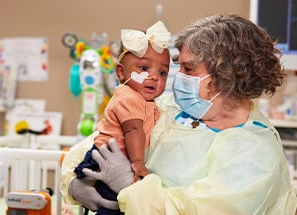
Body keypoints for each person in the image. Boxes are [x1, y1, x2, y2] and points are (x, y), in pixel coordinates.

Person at [60, 14, 297, 215]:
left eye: (188, 69)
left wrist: (129, 188)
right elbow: (95, 143)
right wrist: (73, 182)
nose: (176, 77)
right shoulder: (169, 108)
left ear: (224, 75)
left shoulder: (254, 153)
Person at [73, 20, 171, 214]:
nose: (154, 77)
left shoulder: (148, 102)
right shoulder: (128, 96)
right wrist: (137, 163)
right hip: (105, 160)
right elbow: (133, 129)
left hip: (118, 160)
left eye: (163, 72)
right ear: (121, 72)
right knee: (112, 208)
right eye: (144, 69)